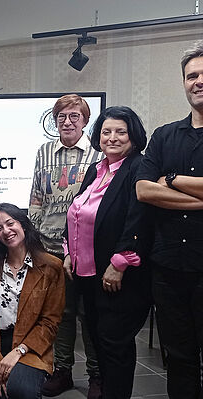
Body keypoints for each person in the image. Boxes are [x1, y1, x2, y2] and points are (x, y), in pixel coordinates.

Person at [64, 106, 151, 398]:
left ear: (133, 136)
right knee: (101, 343)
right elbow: (77, 212)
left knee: (115, 346)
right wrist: (68, 251)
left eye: (120, 132)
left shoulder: (138, 167)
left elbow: (138, 216)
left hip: (117, 275)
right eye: (106, 132)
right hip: (87, 273)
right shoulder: (96, 169)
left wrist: (120, 261)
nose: (112, 138)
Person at [136, 40, 203, 399]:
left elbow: (159, 185)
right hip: (168, 270)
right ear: (184, 83)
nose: (198, 81)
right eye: (192, 75)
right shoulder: (164, 136)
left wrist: (173, 180)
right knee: (178, 358)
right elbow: (144, 190)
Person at [28, 94, 102, 398]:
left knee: (90, 314)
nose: (67, 122)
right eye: (61, 116)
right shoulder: (44, 152)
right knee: (61, 313)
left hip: (88, 251)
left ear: (85, 121)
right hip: (50, 248)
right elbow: (36, 198)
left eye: (74, 116)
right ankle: (62, 371)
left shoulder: (99, 154)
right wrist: (35, 239)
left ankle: (97, 374)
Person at [0, 203, 65, 399]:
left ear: (23, 225)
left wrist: (18, 352)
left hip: (30, 346)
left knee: (20, 390)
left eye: (10, 223)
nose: (6, 231)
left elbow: (49, 323)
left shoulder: (51, 267)